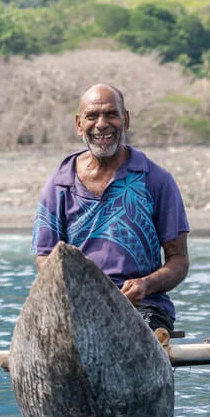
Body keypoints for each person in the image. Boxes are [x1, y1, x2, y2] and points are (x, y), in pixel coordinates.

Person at [31, 83, 190, 332]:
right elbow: (44, 257)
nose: (102, 124)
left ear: (125, 120)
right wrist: (79, 292)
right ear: (78, 124)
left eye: (111, 114)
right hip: (78, 307)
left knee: (138, 338)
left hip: (144, 307)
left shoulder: (156, 179)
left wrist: (145, 285)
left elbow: (178, 260)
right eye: (92, 116)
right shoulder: (60, 182)